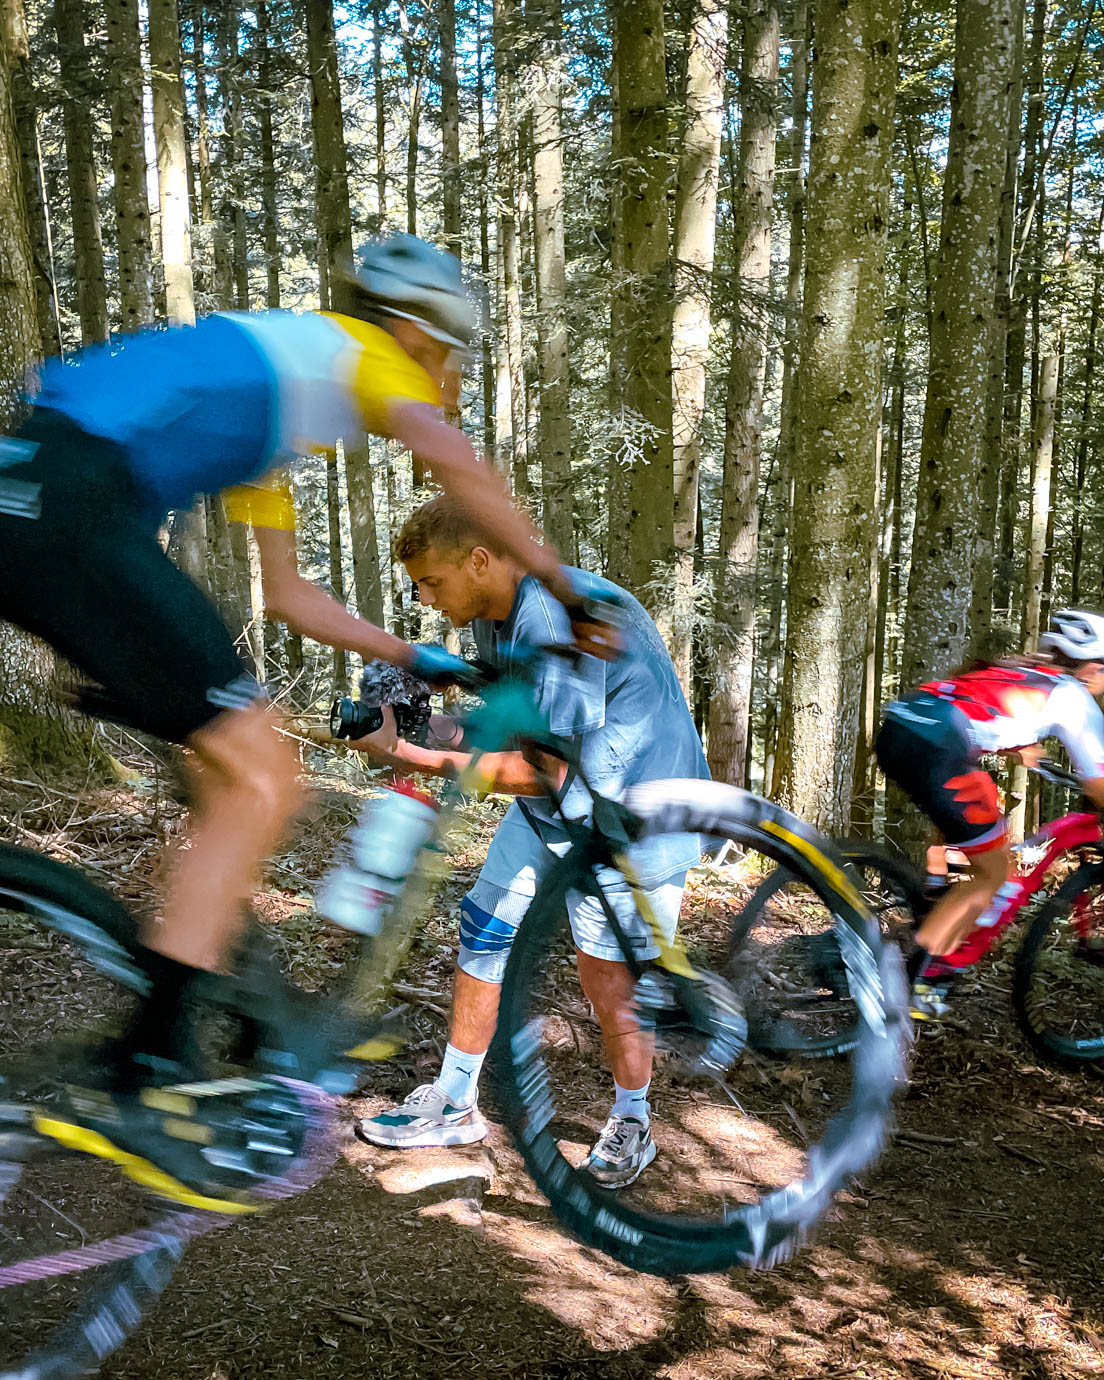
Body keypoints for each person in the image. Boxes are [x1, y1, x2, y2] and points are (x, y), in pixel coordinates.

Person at [0, 235, 606, 1211]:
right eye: (450, 362)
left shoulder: (271, 408)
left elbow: (288, 597)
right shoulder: (353, 350)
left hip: (43, 504)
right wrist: (562, 592)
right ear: (414, 334)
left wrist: (418, 658)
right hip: (68, 509)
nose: (447, 385)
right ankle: (144, 1072)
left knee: (225, 782)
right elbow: (457, 463)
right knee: (266, 773)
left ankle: (214, 1014)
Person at [351, 496, 709, 1189]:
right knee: (484, 929)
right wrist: (426, 731)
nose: (424, 598)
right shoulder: (494, 614)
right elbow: (515, 734)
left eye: (431, 582)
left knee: (607, 977)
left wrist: (413, 758)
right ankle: (455, 1102)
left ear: (479, 559)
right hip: (559, 808)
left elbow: (540, 768)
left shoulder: (555, 619)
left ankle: (634, 1120)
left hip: (635, 820)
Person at [876, 609, 1104, 1019]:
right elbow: (1098, 781)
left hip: (901, 724)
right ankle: (916, 981)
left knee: (977, 810)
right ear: (1092, 668)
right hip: (939, 748)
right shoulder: (1075, 697)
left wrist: (1021, 748)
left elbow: (990, 709)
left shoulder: (1026, 673)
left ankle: (936, 891)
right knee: (993, 871)